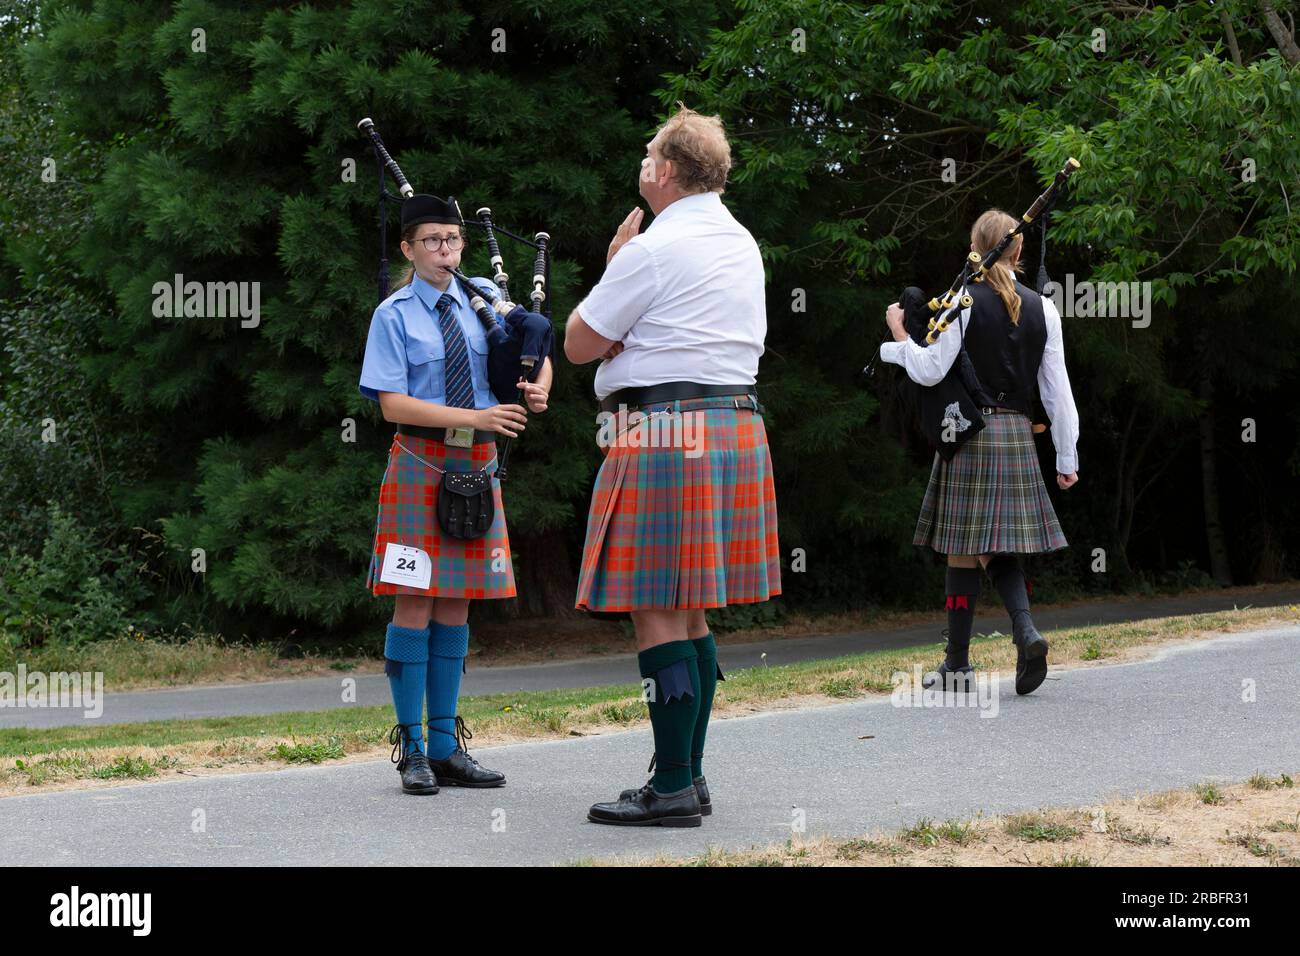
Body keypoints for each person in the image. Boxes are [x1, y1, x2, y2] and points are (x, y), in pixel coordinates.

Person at [564, 105, 781, 827]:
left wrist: (611, 271)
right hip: (734, 423)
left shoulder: (653, 249)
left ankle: (675, 787)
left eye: (648, 154)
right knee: (689, 607)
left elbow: (577, 342)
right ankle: (687, 774)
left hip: (665, 429)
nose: (641, 163)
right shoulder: (743, 242)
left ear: (666, 170)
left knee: (656, 603)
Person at [359, 194, 553, 793]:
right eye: (432, 242)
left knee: (456, 603)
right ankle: (412, 749)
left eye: (452, 240)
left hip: (477, 464)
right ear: (408, 249)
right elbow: (391, 403)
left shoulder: (486, 302)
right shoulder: (392, 315)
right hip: (420, 461)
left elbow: (535, 355)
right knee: (414, 600)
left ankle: (445, 746)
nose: (444, 251)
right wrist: (476, 417)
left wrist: (539, 387)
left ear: (463, 244)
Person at [879, 208, 1079, 696]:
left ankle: (966, 661)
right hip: (1016, 434)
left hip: (969, 434)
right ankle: (998, 644)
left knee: (966, 547)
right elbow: (1059, 393)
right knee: (980, 548)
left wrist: (898, 338)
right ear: (1017, 251)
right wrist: (1066, 456)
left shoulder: (964, 302)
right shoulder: (1044, 308)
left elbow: (928, 370)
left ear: (978, 247)